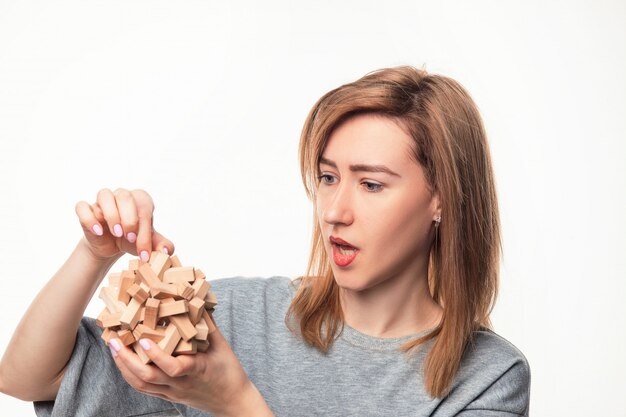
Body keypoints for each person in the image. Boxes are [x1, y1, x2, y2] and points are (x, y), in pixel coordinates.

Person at [0, 66, 531, 416]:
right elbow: (27, 378)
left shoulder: (487, 378)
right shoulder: (234, 317)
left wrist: (233, 399)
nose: (334, 211)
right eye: (327, 177)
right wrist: (93, 255)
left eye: (371, 184)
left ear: (442, 200)